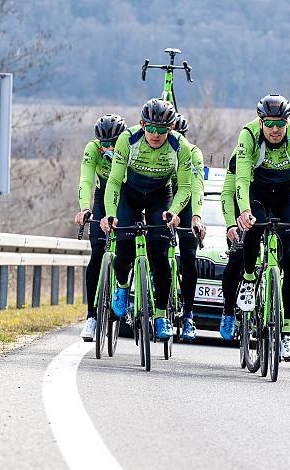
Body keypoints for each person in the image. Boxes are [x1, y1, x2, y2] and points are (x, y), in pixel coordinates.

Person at [100, 98, 201, 340]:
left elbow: (186, 187)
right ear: (143, 125)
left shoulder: (181, 147)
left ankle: (160, 315)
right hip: (130, 195)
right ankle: (122, 287)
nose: (156, 135)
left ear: (171, 129)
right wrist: (110, 213)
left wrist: (175, 211)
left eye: (163, 130)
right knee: (123, 246)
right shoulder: (128, 139)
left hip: (159, 196)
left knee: (160, 254)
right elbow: (114, 181)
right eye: (152, 128)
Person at [234, 94, 290, 359]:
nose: (276, 129)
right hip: (257, 192)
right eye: (270, 123)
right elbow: (242, 176)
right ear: (261, 122)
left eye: (280, 123)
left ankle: (287, 331)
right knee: (253, 228)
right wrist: (244, 210)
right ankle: (247, 281)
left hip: (286, 194)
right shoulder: (249, 134)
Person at [75, 114, 127, 341]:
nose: (109, 147)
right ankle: (91, 317)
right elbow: (86, 180)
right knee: (97, 253)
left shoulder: (129, 146)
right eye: (104, 143)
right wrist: (85, 208)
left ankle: (123, 289)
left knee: (126, 248)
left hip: (126, 195)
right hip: (102, 194)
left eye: (113, 142)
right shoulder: (93, 149)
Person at [170, 113, 206, 340]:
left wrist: (196, 217)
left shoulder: (191, 153)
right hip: (165, 202)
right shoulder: (160, 152)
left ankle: (189, 314)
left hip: (186, 207)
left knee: (189, 259)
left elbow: (197, 187)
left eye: (180, 134)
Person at [218, 153, 243, 340]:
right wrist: (230, 225)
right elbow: (227, 193)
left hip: (271, 204)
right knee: (236, 261)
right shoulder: (239, 155)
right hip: (239, 211)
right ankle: (228, 311)